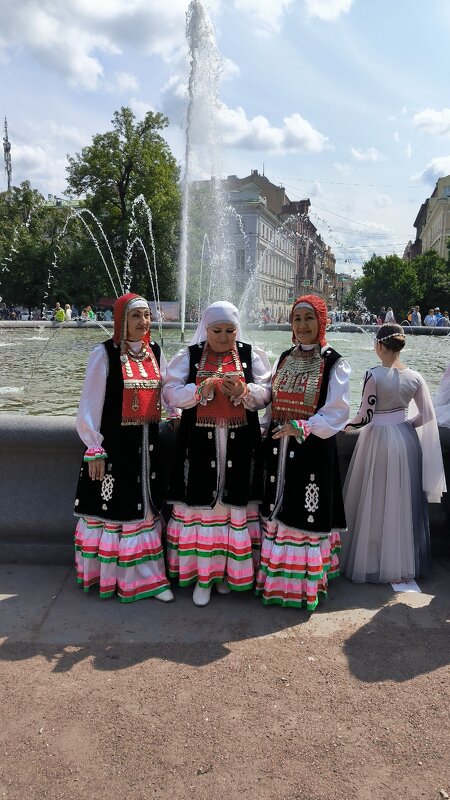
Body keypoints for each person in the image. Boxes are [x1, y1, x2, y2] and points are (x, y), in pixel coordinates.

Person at [163, 300, 271, 606]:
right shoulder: (190, 356)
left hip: (239, 443)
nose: (224, 337)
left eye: (230, 330)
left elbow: (266, 392)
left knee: (233, 505)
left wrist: (243, 391)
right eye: (217, 330)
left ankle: (226, 573)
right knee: (205, 506)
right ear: (206, 329)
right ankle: (203, 576)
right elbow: (169, 392)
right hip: (199, 443)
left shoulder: (250, 354)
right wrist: (199, 391)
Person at [73, 292, 174, 603]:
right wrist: (94, 446)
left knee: (146, 510)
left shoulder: (154, 350)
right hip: (116, 447)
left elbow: (166, 392)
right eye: (135, 316)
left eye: (146, 315)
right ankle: (117, 578)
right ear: (121, 321)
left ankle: (151, 578)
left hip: (148, 446)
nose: (143, 322)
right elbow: (90, 404)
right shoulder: (104, 354)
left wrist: (179, 411)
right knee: (119, 511)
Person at [255, 294, 351, 611]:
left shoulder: (334, 362)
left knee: (302, 512)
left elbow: (337, 413)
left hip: (312, 450)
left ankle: (301, 588)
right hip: (278, 449)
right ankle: (277, 583)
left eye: (309, 318)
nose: (302, 325)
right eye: (297, 319)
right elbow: (271, 397)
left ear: (321, 322)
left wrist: (303, 427)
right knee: (278, 509)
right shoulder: (284, 357)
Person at [341, 323, 446, 584]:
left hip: (378, 439)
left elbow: (365, 415)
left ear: (378, 346)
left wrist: (344, 425)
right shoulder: (416, 376)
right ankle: (399, 562)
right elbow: (428, 414)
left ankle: (372, 559)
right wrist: (408, 425)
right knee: (401, 501)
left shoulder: (373, 374)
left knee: (374, 500)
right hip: (406, 438)